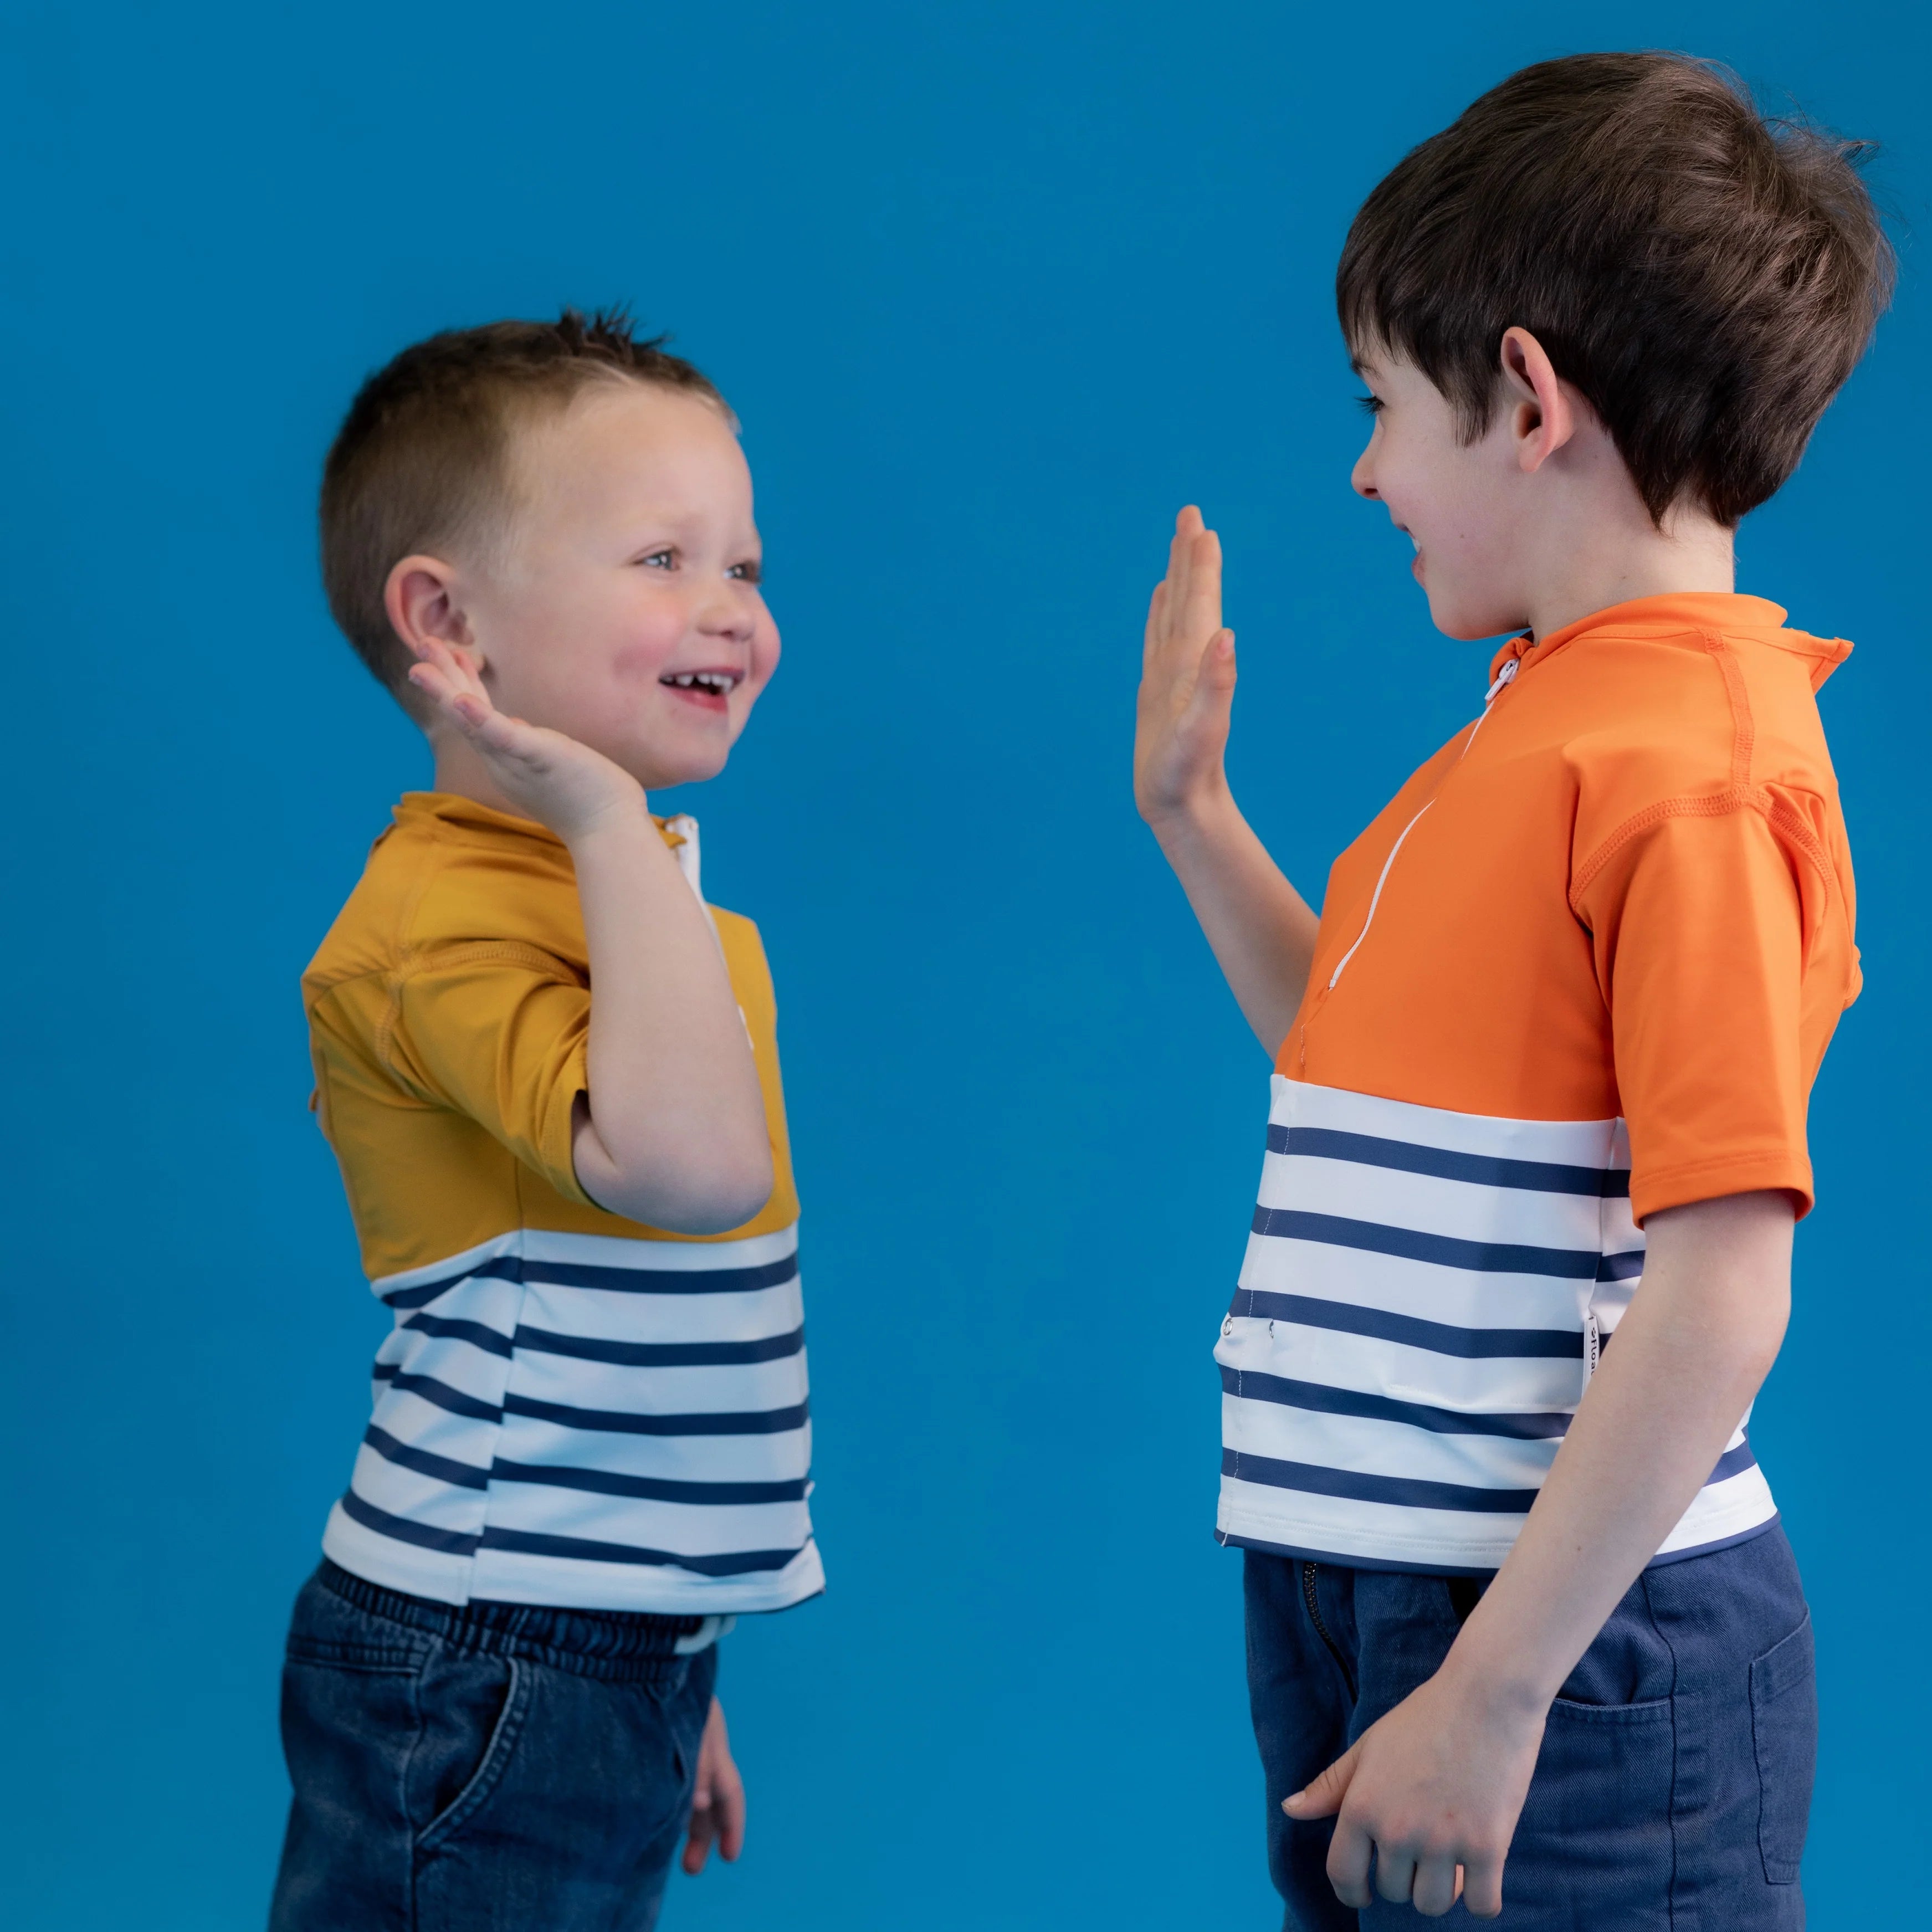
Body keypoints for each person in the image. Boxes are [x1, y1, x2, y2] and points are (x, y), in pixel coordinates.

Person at [1134, 54, 1890, 1926]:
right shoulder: (1548, 720)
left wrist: (1495, 1688)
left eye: (1384, 407)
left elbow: (1726, 1281)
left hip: (1563, 1650)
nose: (1367, 468)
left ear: (1528, 398)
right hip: (1383, 1597)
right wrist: (1194, 818)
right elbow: (1359, 1072)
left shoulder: (1693, 767)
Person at [269, 310, 818, 1931]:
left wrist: (676, 1648)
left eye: (746, 565)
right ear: (448, 622)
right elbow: (691, 1175)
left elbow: (623, 1349)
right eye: (663, 557)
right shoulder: (437, 920)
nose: (732, 611)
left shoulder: (628, 893)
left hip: (583, 1637)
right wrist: (596, 810)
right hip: (481, 1647)